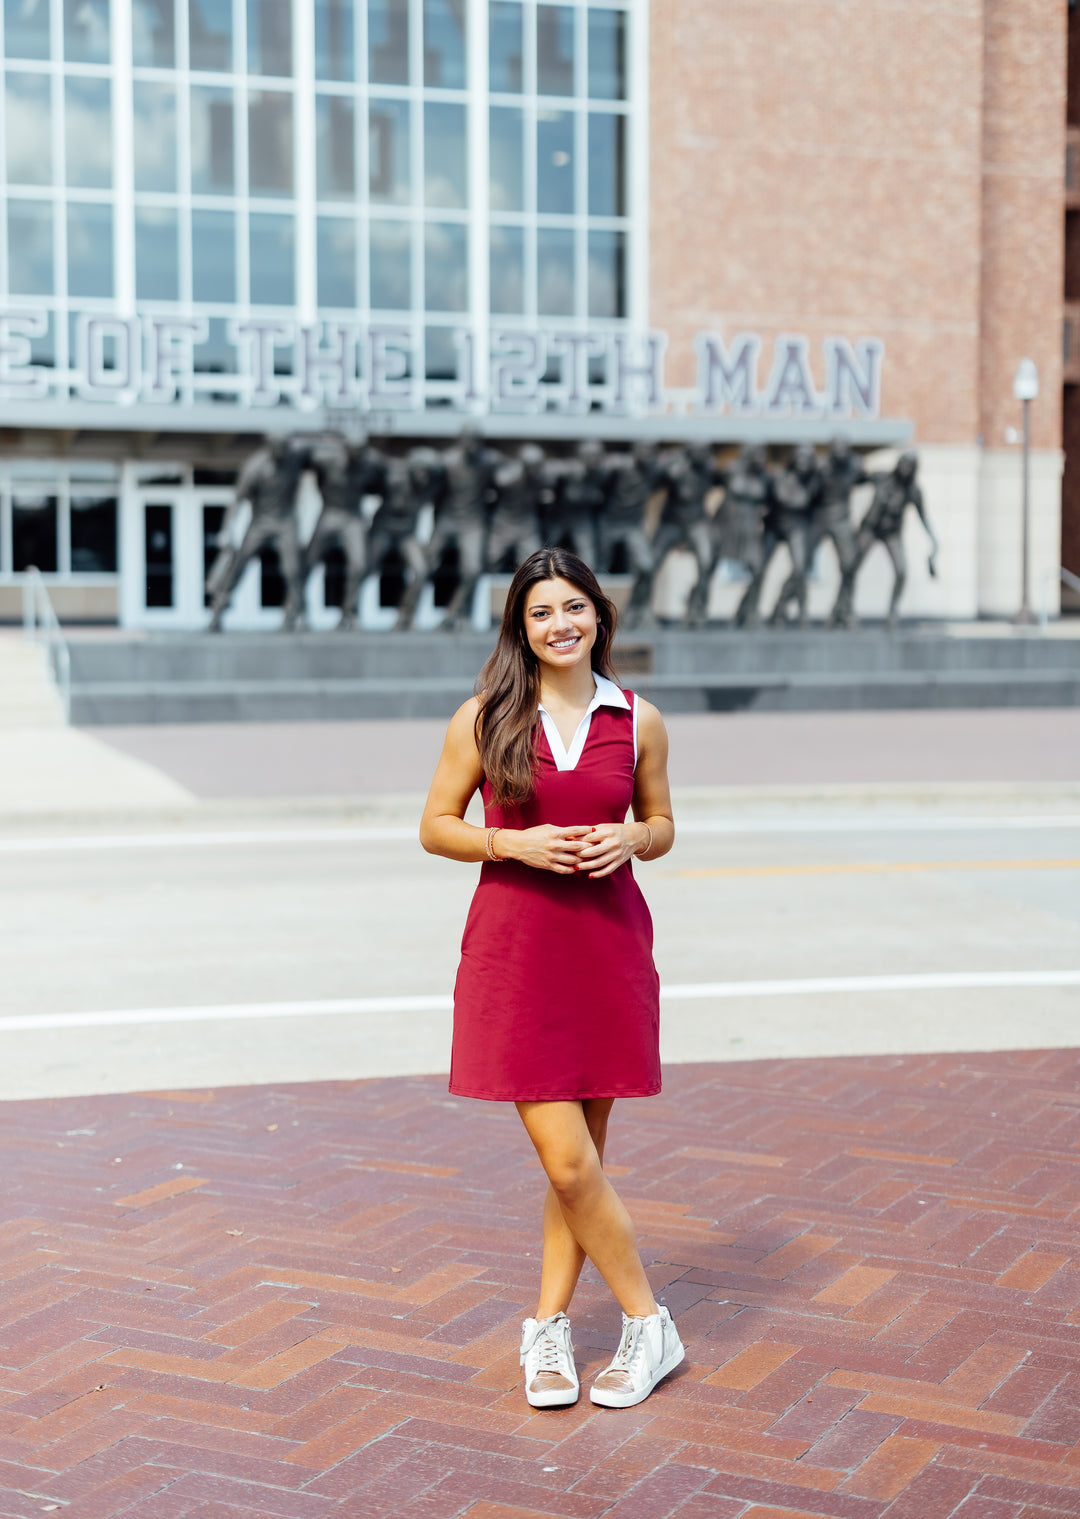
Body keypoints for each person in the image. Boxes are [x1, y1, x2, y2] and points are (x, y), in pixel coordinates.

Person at [419, 547, 684, 1411]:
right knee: (567, 1159)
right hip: (517, 954)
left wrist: (634, 840)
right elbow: (434, 825)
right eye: (541, 612)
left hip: (606, 953)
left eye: (575, 607)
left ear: (599, 616)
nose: (560, 624)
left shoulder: (638, 718)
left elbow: (663, 820)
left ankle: (548, 1326)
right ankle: (649, 1320)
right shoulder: (485, 714)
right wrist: (513, 842)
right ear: (521, 628)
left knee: (581, 1168)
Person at [855, 451, 938, 627]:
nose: (905, 469)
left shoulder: (913, 490)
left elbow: (924, 517)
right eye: (903, 464)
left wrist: (933, 541)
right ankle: (843, 608)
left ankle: (892, 612)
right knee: (851, 567)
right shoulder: (882, 477)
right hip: (870, 527)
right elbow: (857, 479)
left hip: (892, 532)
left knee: (901, 571)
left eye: (910, 466)